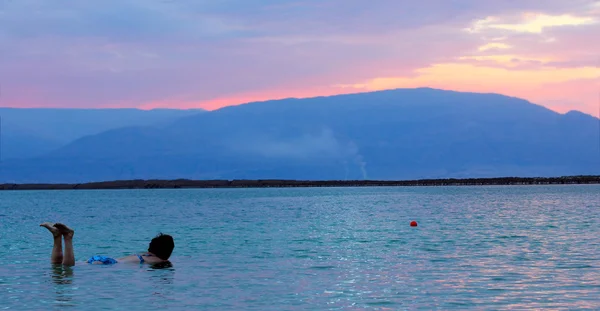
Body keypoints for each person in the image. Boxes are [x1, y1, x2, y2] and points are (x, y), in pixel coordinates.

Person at [40, 222, 174, 266]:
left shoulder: (144, 254)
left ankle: (57, 236)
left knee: (57, 266)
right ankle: (67, 238)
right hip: (108, 264)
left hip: (104, 259)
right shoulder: (158, 260)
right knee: (68, 268)